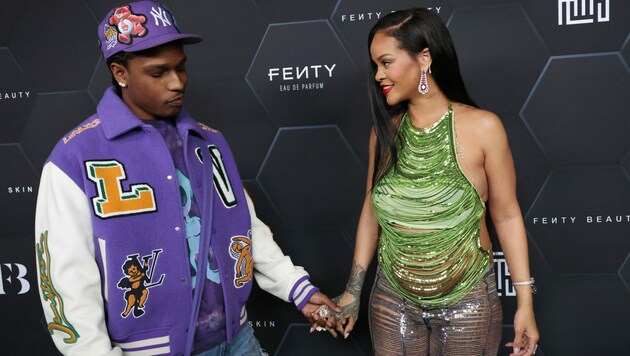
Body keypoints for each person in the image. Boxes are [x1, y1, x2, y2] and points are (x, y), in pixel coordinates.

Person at [34, 2, 338, 355]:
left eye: (181, 68)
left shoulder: (209, 141)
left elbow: (243, 224)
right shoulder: (74, 157)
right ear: (120, 72)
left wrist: (297, 288)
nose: (177, 83)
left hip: (237, 340)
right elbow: (65, 280)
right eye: (158, 72)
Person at [332, 8, 540, 356]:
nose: (378, 75)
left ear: (424, 58)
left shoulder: (484, 127)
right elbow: (371, 209)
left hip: (469, 303)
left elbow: (505, 215)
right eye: (375, 66)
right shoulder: (384, 133)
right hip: (392, 301)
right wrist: (353, 290)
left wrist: (525, 304)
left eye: (386, 62)